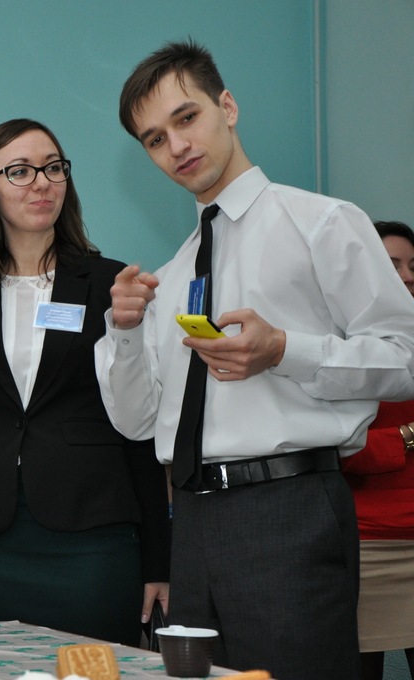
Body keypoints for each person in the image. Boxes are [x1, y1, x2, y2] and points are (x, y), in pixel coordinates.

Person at [96, 40, 414, 679]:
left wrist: (285, 350)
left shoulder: (322, 223)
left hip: (291, 508)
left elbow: (403, 358)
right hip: (192, 519)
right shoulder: (173, 273)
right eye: (155, 139)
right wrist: (124, 332)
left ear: (228, 106)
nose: (177, 146)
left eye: (187, 117)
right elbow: (137, 422)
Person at [0, 119, 171, 645]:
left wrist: (159, 558)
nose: (41, 183)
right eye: (20, 171)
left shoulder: (109, 284)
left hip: (93, 534)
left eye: (53, 168)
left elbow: (140, 429)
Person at [342, 221, 414, 680]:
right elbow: (347, 452)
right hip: (367, 546)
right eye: (393, 265)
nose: (407, 276)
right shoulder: (341, 346)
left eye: (413, 265)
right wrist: (409, 435)